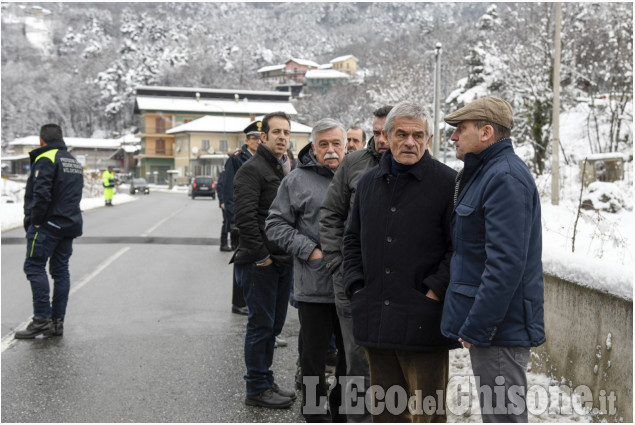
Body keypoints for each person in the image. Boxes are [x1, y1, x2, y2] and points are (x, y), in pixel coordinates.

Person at [342, 101, 460, 422]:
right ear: (387, 136)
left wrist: (434, 291)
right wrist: (355, 286)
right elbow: (352, 239)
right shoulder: (368, 183)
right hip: (376, 319)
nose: (410, 142)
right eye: (402, 134)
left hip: (424, 321)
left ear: (429, 139)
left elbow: (459, 248)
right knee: (385, 413)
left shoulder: (449, 183)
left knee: (428, 414)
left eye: (418, 135)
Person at [440, 97, 545, 423]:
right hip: (494, 326)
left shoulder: (504, 178)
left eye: (460, 129)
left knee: (503, 417)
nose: (453, 137)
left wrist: (479, 327)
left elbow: (505, 263)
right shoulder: (487, 173)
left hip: (499, 329)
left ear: (486, 132)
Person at [266, 118, 348, 422]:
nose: (330, 150)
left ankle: (344, 413)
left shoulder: (358, 176)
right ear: (313, 147)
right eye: (323, 144)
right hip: (314, 287)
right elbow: (274, 224)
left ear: (345, 145)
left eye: (335, 143)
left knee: (351, 359)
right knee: (313, 361)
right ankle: (315, 415)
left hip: (352, 285)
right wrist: (309, 250)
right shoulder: (295, 180)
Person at [318, 105, 392, 423]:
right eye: (376, 133)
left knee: (392, 357)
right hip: (352, 278)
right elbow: (331, 214)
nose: (381, 140)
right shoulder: (353, 163)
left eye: (387, 133)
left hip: (395, 281)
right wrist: (337, 263)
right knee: (356, 357)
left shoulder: (412, 164)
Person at [231, 111, 296, 409]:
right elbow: (243, 218)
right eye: (276, 132)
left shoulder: (285, 167)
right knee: (260, 325)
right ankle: (256, 387)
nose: (282, 137)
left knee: (273, 325)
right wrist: (263, 258)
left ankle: (265, 379)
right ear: (264, 136)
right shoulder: (251, 169)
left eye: (286, 132)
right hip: (261, 264)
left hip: (282, 261)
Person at [16, 123, 83, 339]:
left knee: (34, 266)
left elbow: (41, 192)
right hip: (69, 224)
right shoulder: (72, 160)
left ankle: (41, 320)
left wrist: (35, 221)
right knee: (60, 271)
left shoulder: (47, 157)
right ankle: (57, 323)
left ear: (41, 140)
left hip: (47, 226)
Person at [223, 120, 262, 315]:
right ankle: (238, 302)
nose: (257, 141)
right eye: (254, 138)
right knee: (241, 262)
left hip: (256, 218)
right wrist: (233, 220)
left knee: (255, 263)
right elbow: (230, 190)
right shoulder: (237, 159)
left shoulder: (263, 158)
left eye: (259, 138)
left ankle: (250, 300)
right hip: (241, 218)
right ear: (246, 140)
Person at [217, 170, 232, 252]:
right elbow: (219, 187)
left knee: (233, 223)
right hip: (226, 203)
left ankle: (233, 243)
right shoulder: (225, 173)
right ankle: (223, 244)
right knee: (226, 223)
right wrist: (222, 201)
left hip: (232, 203)